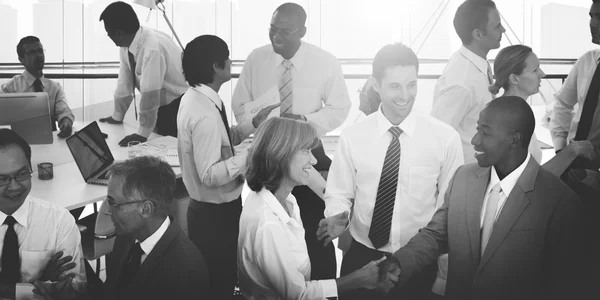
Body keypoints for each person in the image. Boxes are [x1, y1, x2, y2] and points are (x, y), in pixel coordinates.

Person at [378, 96, 590, 300]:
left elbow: (564, 284)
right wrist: (400, 261)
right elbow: (436, 235)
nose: (474, 140)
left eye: (486, 133)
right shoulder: (463, 177)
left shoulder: (559, 201)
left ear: (514, 140)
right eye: (478, 129)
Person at [317, 43, 464, 300]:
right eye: (395, 86)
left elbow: (447, 207)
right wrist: (337, 215)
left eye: (412, 84)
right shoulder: (353, 136)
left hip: (419, 259)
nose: (405, 95)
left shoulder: (445, 138)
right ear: (376, 84)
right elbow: (339, 191)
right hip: (362, 256)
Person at [232, 2, 351, 280]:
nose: (277, 37)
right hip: (270, 154)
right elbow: (239, 106)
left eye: (285, 31)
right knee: (272, 224)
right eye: (273, 29)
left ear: (302, 31)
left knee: (314, 230)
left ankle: (321, 287)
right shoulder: (256, 59)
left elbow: (340, 108)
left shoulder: (325, 61)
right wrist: (258, 122)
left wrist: (304, 122)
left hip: (308, 152)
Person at [238, 117, 397, 299]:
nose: (314, 161)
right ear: (280, 154)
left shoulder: (285, 199)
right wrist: (359, 278)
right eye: (306, 151)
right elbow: (298, 294)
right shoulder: (268, 224)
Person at [178, 35, 277, 299]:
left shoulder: (199, 98)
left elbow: (222, 141)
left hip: (209, 212)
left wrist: (252, 124)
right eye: (228, 57)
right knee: (218, 283)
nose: (232, 61)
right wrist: (252, 154)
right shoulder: (204, 113)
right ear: (216, 65)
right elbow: (209, 174)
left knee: (218, 278)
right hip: (215, 217)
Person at [99, 156, 209, 299]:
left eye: (113, 203)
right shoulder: (126, 236)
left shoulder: (186, 271)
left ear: (146, 209)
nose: (107, 211)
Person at [0, 129, 85, 300]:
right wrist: (40, 283)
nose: (15, 187)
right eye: (2, 179)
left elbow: (74, 289)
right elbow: (50, 290)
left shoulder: (59, 221)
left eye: (21, 174)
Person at [98, 1, 188, 145]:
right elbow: (124, 82)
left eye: (108, 31)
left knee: (172, 151)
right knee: (158, 146)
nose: (107, 35)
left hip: (177, 107)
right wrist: (117, 115)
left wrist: (142, 132)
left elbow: (150, 94)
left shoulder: (152, 48)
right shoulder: (127, 44)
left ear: (119, 33)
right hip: (162, 106)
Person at [431, 0, 505, 164]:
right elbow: (435, 138)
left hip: (482, 170)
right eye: (497, 26)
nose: (503, 30)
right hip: (466, 176)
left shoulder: (478, 63)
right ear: (478, 34)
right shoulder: (461, 81)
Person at [549, 0, 600, 199]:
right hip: (571, 162)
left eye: (599, 17)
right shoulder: (586, 61)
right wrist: (561, 150)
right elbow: (562, 103)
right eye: (591, 16)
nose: (592, 23)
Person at [1, 36, 74, 138]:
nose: (38, 55)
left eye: (40, 51)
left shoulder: (55, 88)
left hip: (50, 144)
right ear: (21, 59)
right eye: (31, 52)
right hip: (21, 145)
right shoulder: (9, 89)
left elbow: (63, 111)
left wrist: (66, 122)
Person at [489, 44, 544, 162]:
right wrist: (570, 153)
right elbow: (523, 176)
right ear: (514, 79)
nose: (542, 74)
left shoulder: (519, 112)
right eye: (535, 70)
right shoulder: (504, 119)